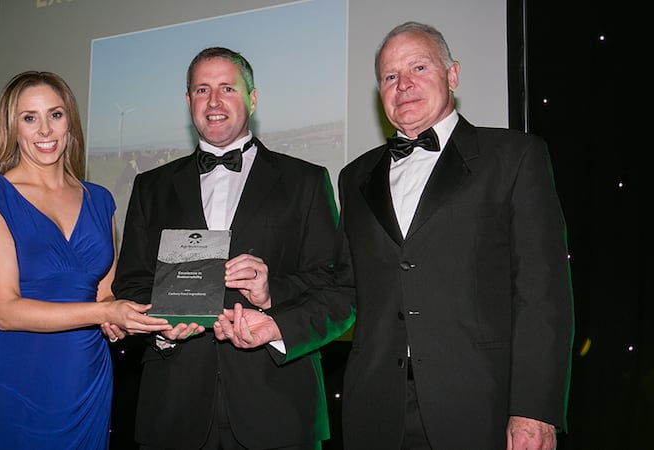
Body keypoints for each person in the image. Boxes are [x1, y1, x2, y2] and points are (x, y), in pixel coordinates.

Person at [333, 21, 574, 449]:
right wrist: (273, 307)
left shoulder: (515, 157)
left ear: (453, 75)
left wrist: (535, 410)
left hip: (483, 409)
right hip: (374, 412)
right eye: (390, 76)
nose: (403, 84)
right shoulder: (354, 177)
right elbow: (345, 289)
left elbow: (544, 294)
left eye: (419, 68)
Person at [108, 47, 354, 450]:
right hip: (173, 409)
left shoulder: (305, 181)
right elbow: (132, 285)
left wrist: (273, 293)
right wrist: (163, 329)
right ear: (188, 102)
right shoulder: (150, 187)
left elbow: (336, 290)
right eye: (202, 90)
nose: (214, 101)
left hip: (280, 407)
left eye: (227, 88)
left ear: (253, 99)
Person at [0, 70, 171, 449]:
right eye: (30, 118)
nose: (45, 130)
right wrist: (105, 314)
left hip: (83, 374)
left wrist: (132, 317)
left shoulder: (100, 199)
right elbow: (6, 312)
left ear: (69, 121)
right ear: (11, 127)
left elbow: (105, 295)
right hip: (13, 373)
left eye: (55, 115)